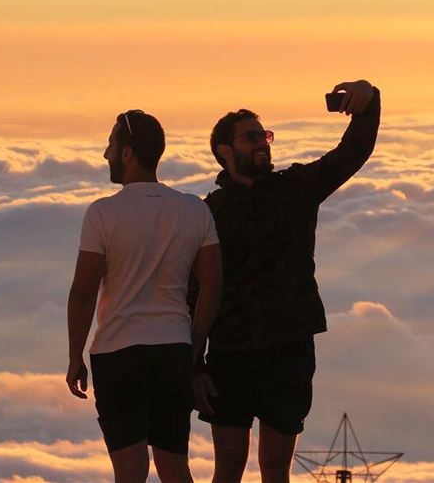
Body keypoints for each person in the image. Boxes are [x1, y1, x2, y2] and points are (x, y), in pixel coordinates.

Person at [190, 79, 381, 483]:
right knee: (228, 467)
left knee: (275, 469)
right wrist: (194, 365)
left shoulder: (294, 189)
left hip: (287, 351)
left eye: (265, 135)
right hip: (229, 354)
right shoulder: (208, 214)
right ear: (225, 152)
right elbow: (194, 293)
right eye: (251, 137)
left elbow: (352, 153)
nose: (263, 143)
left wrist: (368, 100)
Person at [66, 110, 222, 483]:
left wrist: (75, 356)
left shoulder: (103, 214)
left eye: (111, 144)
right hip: (172, 350)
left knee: (131, 468)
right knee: (174, 464)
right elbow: (213, 285)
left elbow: (84, 292)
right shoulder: (193, 209)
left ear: (127, 153)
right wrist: (193, 346)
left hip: (118, 352)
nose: (106, 153)